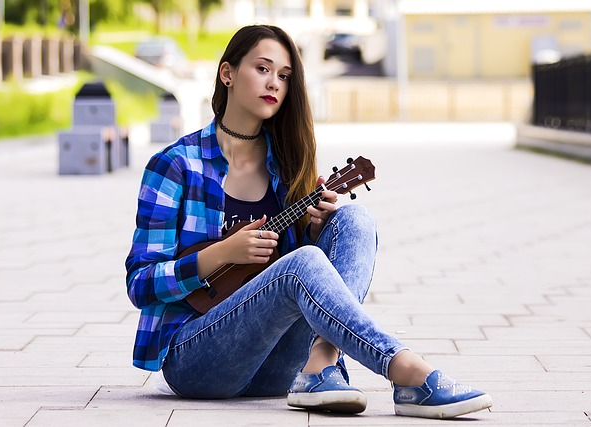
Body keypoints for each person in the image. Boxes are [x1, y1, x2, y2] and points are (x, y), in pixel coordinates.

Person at [125, 24, 492, 419]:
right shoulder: (177, 165)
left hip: (276, 364)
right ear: (227, 73)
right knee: (302, 264)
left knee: (354, 218)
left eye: (284, 76)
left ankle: (320, 362)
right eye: (263, 69)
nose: (275, 84)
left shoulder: (286, 165)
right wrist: (220, 254)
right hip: (198, 359)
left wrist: (315, 231)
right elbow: (140, 283)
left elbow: (286, 280)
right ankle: (405, 370)